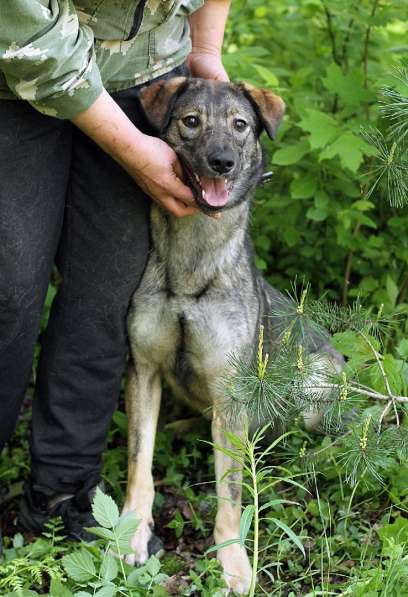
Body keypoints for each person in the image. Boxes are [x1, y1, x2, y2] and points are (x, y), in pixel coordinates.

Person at [0, 0, 230, 542]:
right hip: (13, 72)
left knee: (108, 296)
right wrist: (132, 152)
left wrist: (204, 51)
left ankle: (62, 491)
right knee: (7, 288)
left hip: (144, 82)